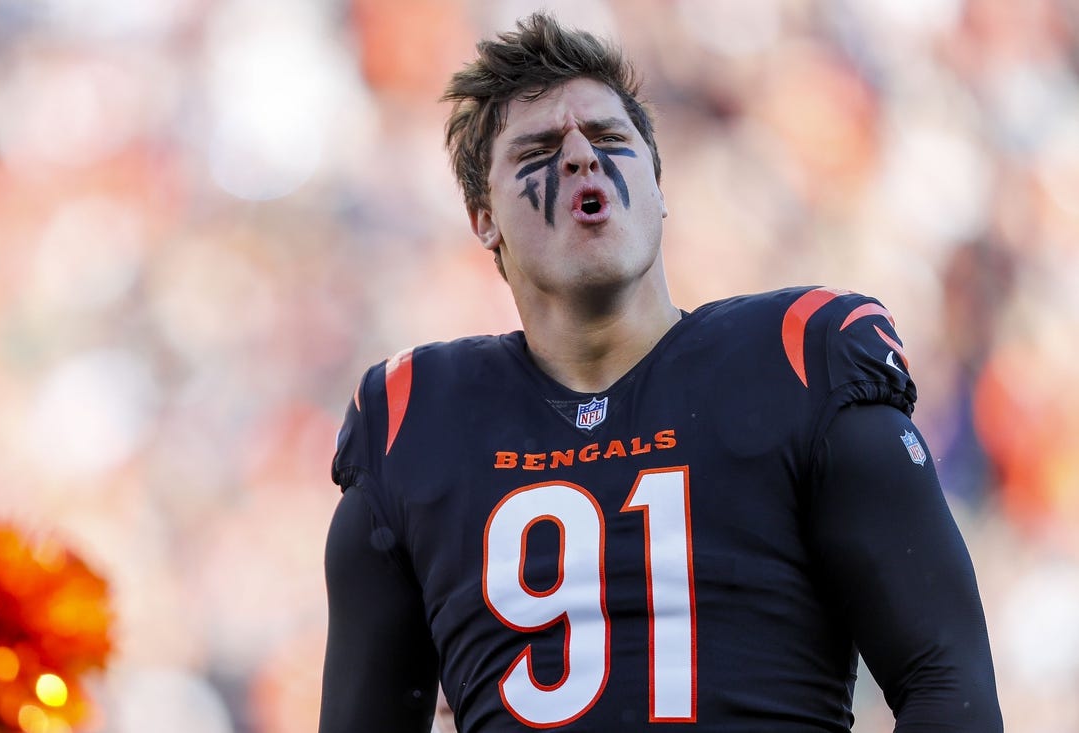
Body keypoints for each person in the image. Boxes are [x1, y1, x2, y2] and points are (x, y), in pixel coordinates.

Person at [319, 13, 1003, 733]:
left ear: (658, 185)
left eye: (611, 139)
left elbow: (947, 681)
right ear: (483, 217)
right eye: (539, 150)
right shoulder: (412, 422)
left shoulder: (801, 359)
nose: (582, 157)